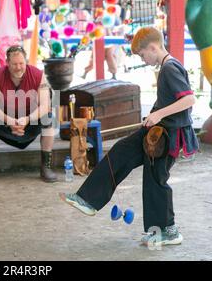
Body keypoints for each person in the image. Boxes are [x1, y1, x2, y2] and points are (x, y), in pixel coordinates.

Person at [60, 26, 199, 247]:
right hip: (156, 130)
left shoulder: (170, 68)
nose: (143, 60)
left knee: (155, 179)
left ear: (153, 47)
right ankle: (88, 199)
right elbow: (172, 100)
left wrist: (159, 114)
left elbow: (189, 100)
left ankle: (168, 231)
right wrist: (155, 113)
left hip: (167, 135)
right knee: (120, 151)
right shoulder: (166, 67)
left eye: (143, 55)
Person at [0, 46, 57, 184]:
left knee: (48, 118)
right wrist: (9, 121)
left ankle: (46, 167)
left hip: (30, 119)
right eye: (14, 64)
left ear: (26, 61)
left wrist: (28, 119)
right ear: (7, 63)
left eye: (21, 63)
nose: (18, 67)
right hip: (6, 120)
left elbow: (45, 105)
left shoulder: (38, 75)